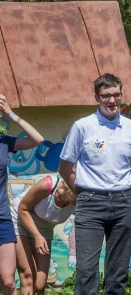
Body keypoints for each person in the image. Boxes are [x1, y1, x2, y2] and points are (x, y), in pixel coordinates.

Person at [58, 73, 131, 295]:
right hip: (90, 202)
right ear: (97, 97)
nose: (112, 101)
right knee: (86, 271)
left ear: (121, 95)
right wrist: (81, 191)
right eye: (106, 96)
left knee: (118, 272)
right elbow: (65, 168)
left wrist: (127, 183)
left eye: (116, 95)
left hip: (124, 202)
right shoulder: (82, 126)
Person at [0, 94, 44, 295]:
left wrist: (10, 113)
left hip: (2, 219)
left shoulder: (4, 142)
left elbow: (37, 139)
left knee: (8, 281)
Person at [10, 175, 76, 295]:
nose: (82, 198)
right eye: (79, 193)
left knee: (40, 283)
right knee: (28, 275)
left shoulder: (79, 201)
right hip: (18, 220)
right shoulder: (48, 185)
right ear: (69, 187)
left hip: (44, 230)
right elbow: (22, 209)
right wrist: (37, 236)